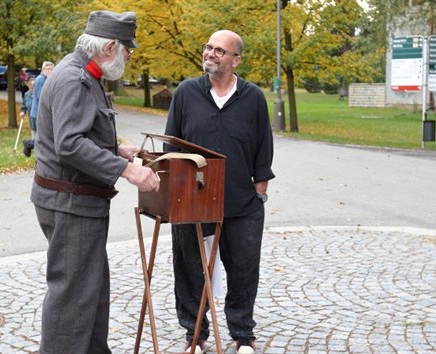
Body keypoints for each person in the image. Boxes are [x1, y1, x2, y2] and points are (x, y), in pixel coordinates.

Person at [30, 10, 160, 354]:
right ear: (110, 46)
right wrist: (127, 170)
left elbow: (77, 132)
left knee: (90, 292)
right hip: (71, 204)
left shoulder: (84, 74)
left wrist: (116, 148)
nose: (128, 59)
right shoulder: (75, 79)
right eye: (127, 52)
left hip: (77, 202)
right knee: (72, 298)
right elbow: (70, 144)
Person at [163, 30, 275, 354]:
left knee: (242, 270)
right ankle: (195, 334)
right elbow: (172, 144)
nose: (210, 54)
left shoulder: (253, 98)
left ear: (236, 59)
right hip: (192, 203)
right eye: (208, 48)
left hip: (241, 203)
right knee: (189, 269)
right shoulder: (186, 93)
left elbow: (263, 146)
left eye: (220, 51)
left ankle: (242, 334)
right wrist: (175, 195)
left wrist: (260, 191)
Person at [22, 61, 54, 157]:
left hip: (38, 113)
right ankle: (29, 144)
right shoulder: (41, 80)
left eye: (52, 69)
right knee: (43, 137)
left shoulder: (44, 80)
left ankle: (31, 146)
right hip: (38, 114)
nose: (51, 71)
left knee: (44, 137)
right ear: (43, 70)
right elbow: (42, 97)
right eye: (49, 69)